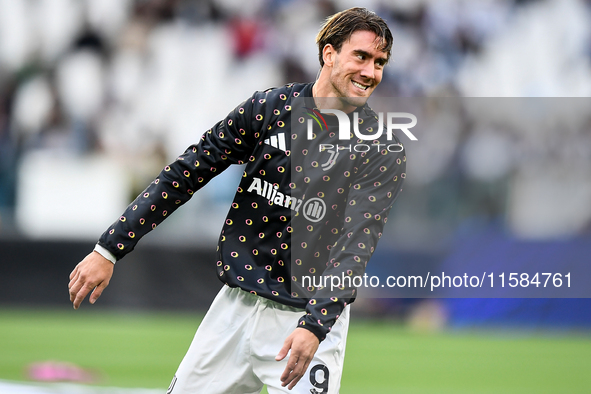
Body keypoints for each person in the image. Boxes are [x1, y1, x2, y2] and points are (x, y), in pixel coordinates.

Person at [68, 7, 405, 393]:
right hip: (235, 307)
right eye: (361, 56)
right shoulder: (268, 109)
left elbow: (354, 249)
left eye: (379, 63)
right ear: (329, 54)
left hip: (305, 321)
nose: (370, 72)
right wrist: (108, 248)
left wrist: (315, 327)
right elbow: (186, 172)